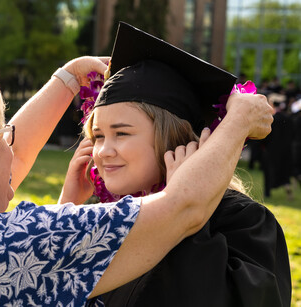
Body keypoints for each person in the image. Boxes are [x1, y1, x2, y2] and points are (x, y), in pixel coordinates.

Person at [0, 53, 272, 306]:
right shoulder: (12, 243)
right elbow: (182, 207)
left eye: (122, 133)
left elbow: (32, 274)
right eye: (3, 137)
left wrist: (67, 78)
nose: (14, 147)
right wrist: (237, 122)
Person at [60, 22, 291, 306]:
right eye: (97, 136)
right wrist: (67, 207)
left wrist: (189, 218)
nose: (103, 151)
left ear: (175, 140)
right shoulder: (107, 217)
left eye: (121, 133)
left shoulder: (244, 223)